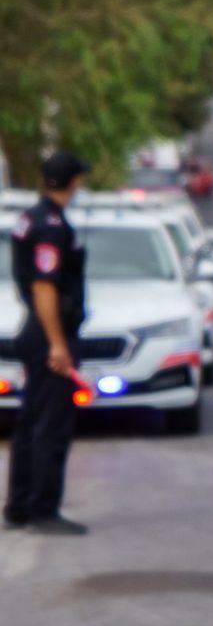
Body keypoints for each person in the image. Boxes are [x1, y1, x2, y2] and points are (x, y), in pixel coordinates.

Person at [4, 150, 91, 536]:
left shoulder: (31, 217)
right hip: (48, 334)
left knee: (30, 423)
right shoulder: (53, 227)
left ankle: (19, 507)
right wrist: (58, 344)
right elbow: (44, 288)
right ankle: (43, 510)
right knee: (50, 427)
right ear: (74, 181)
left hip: (36, 330)